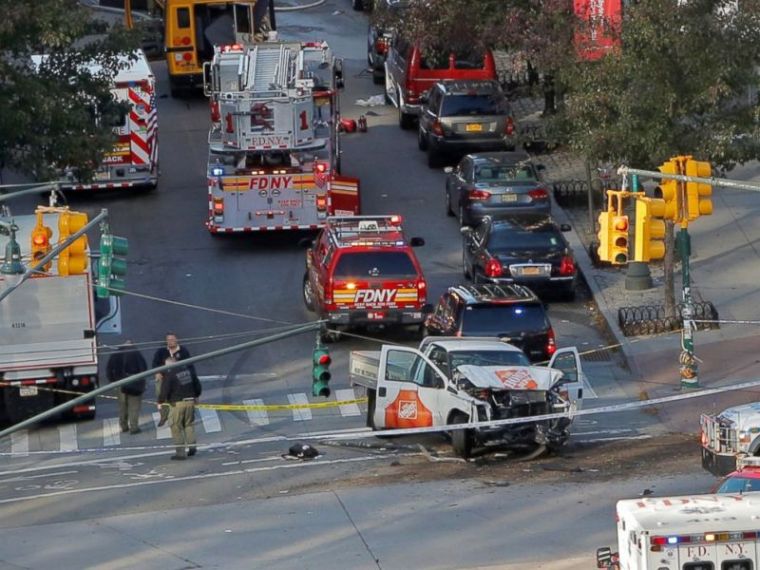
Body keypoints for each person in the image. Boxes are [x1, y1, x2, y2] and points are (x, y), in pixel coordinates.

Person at [158, 356, 202, 460]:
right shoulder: (188, 372)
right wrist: (196, 396)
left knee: (175, 427)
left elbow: (165, 390)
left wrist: (160, 401)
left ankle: (180, 453)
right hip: (190, 401)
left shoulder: (169, 375)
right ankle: (192, 446)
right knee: (189, 424)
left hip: (177, 403)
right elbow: (198, 386)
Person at [152, 333, 195, 427]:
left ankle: (180, 417)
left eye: (172, 339)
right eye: (168, 340)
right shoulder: (161, 351)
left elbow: (189, 365)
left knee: (178, 399)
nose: (170, 341)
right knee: (161, 396)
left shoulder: (183, 351)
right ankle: (164, 416)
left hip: (178, 379)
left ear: (177, 340)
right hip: (164, 378)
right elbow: (155, 363)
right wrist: (158, 373)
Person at [106, 340, 148, 434]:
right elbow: (143, 368)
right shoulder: (137, 353)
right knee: (134, 407)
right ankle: (134, 427)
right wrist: (142, 382)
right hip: (135, 384)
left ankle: (123, 426)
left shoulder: (115, 354)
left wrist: (113, 381)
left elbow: (109, 369)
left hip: (120, 384)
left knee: (122, 407)